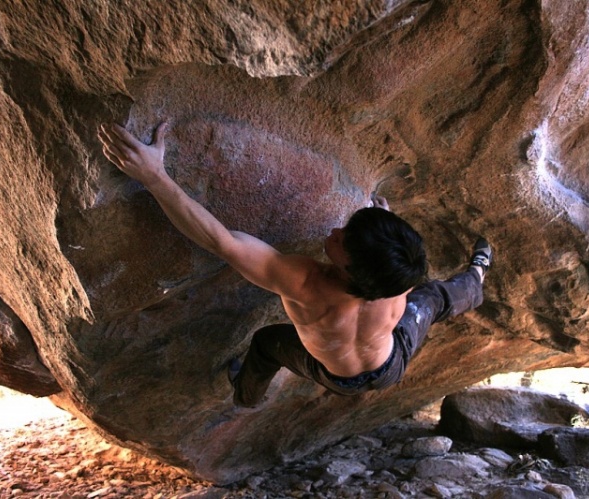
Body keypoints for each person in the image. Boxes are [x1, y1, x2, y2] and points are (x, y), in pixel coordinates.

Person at [98, 122, 492, 408]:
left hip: (336, 377)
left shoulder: (304, 283)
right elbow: (393, 249)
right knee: (434, 297)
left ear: (352, 272)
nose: (335, 231)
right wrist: (381, 225)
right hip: (391, 362)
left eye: (343, 241)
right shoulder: (398, 277)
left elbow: (220, 241)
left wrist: (154, 176)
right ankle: (476, 279)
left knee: (266, 344)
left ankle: (245, 396)